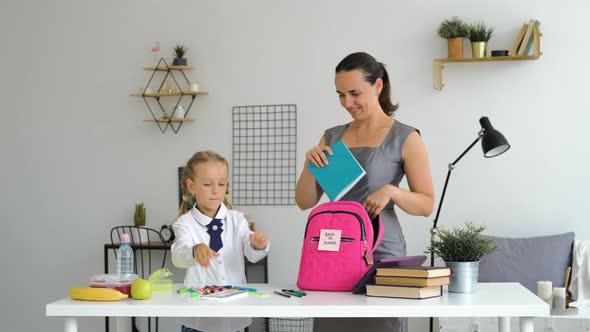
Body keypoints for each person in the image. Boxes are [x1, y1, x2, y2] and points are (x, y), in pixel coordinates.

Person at [295, 52, 435, 332]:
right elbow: (305, 201)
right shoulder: (332, 137)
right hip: (335, 252)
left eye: (355, 93)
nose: (347, 103)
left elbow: (426, 204)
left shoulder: (406, 137)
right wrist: (310, 163)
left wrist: (392, 192)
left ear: (378, 86)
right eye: (340, 95)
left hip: (381, 255)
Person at [172, 151, 270, 332]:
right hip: (197, 318)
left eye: (222, 184)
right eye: (208, 184)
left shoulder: (237, 219)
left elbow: (250, 252)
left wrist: (257, 245)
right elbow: (179, 254)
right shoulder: (184, 224)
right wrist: (194, 250)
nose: (216, 190)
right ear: (191, 186)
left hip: (232, 316)